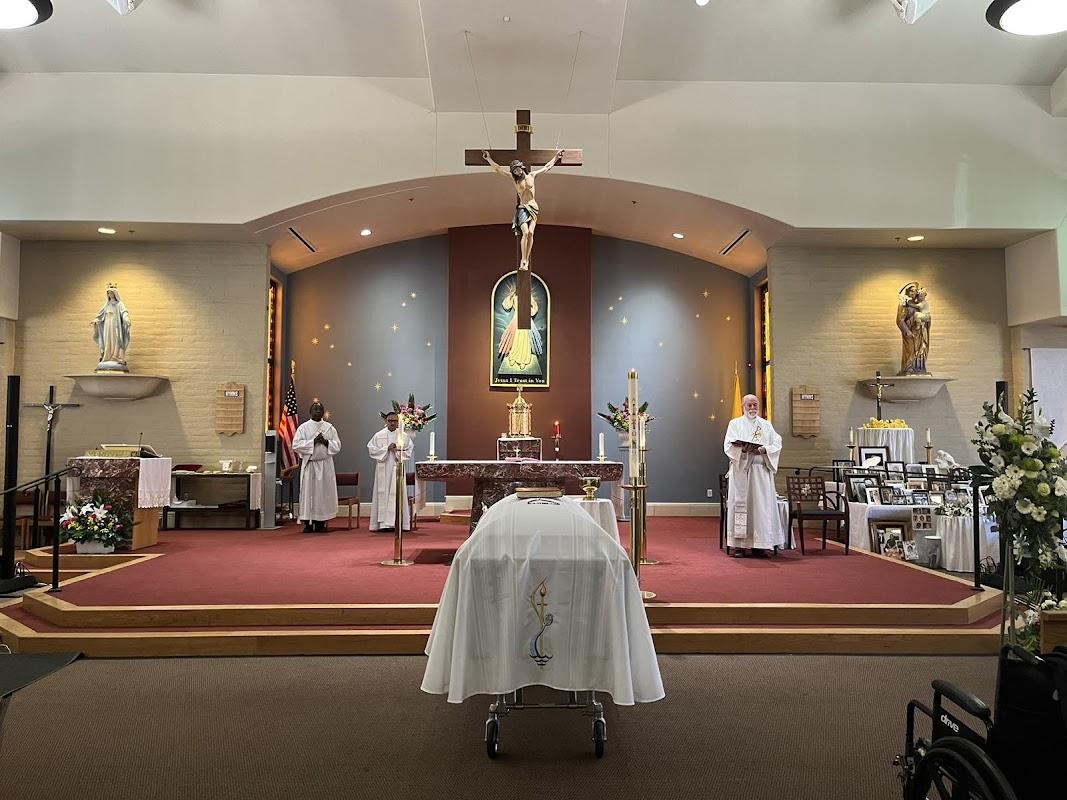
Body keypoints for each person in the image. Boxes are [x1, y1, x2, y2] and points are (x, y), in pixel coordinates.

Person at [483, 148, 564, 271]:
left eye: (518, 168)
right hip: (522, 208)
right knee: (525, 232)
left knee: (531, 233)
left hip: (533, 207)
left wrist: (556, 157)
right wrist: (488, 158)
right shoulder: (514, 180)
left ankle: (526, 258)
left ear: (522, 167)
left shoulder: (532, 175)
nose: (517, 171)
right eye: (514, 170)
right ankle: (523, 260)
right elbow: (498, 169)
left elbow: (547, 167)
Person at [724, 394, 784, 557]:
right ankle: (739, 545)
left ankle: (760, 544)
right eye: (749, 405)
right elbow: (728, 445)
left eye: (755, 405)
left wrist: (765, 449)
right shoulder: (735, 424)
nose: (752, 408)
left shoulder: (766, 425)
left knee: (760, 507)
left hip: (760, 473)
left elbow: (777, 442)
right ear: (743, 406)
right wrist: (743, 449)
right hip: (741, 472)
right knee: (740, 506)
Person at [292, 402, 341, 533]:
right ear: (310, 411)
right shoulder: (304, 428)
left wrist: (326, 442)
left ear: (323, 412)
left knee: (323, 495)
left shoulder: (329, 428)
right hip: (310, 464)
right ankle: (308, 523)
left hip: (325, 465)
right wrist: (313, 441)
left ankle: (321, 523)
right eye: (315, 409)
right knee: (309, 494)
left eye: (320, 409)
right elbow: (296, 445)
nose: (318, 411)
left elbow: (337, 445)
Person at [367, 412, 413, 532]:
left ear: (398, 422)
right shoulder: (378, 435)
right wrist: (386, 448)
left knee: (397, 493)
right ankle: (382, 524)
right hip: (383, 467)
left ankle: (399, 523)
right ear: (386, 421)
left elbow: (409, 450)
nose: (392, 423)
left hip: (397, 467)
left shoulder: (403, 435)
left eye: (394, 420)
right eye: (390, 420)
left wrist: (397, 448)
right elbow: (371, 449)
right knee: (383, 493)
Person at [90, 283, 132, 368]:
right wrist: (96, 320)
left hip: (116, 325)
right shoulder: (107, 304)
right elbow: (101, 315)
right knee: (107, 340)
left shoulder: (119, 304)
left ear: (115, 294)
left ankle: (115, 356)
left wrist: (126, 319)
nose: (110, 295)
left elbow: (124, 312)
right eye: (108, 293)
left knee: (116, 339)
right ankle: (107, 356)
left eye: (111, 293)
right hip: (107, 325)